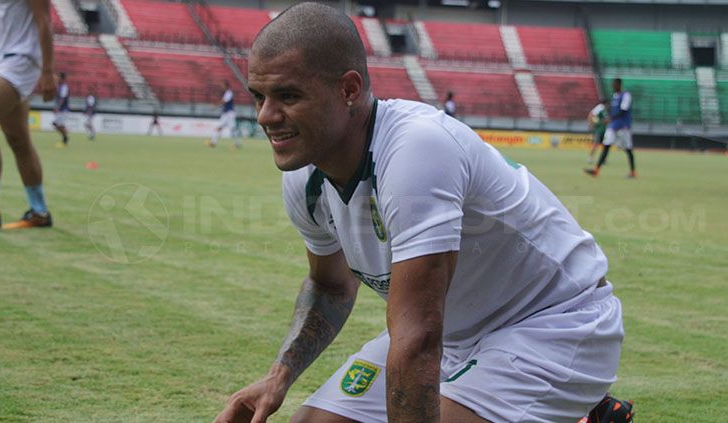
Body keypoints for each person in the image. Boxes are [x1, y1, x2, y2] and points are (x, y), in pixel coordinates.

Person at [215, 3, 631, 423]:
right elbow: (331, 288)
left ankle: (584, 414)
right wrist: (279, 376)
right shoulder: (305, 176)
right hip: (454, 333)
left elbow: (417, 340)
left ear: (348, 90)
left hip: (552, 327)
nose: (266, 116)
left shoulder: (416, 150)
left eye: (288, 95)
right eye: (259, 96)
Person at [0, 0, 56, 232]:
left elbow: (44, 21)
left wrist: (48, 71)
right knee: (18, 139)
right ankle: (39, 211)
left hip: (22, 59)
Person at [585, 79, 636, 178]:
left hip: (623, 126)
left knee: (628, 149)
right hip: (613, 126)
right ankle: (596, 170)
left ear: (619, 84)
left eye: (615, 84)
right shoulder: (614, 96)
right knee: (606, 146)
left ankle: (633, 172)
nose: (613, 86)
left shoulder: (626, 95)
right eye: (612, 85)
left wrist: (610, 118)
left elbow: (623, 110)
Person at [207, 80, 241, 149]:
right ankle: (213, 142)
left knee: (231, 128)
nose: (221, 86)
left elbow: (224, 101)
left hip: (229, 113)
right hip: (226, 113)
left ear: (226, 86)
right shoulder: (227, 93)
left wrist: (215, 106)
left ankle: (237, 143)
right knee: (221, 127)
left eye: (222, 85)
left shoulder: (229, 93)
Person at [587, 98, 608, 164]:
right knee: (596, 144)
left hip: (603, 129)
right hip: (598, 130)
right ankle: (591, 158)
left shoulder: (603, 109)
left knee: (604, 144)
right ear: (606, 104)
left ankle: (603, 159)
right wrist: (591, 124)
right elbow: (591, 115)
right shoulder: (600, 107)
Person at [52, 71, 70, 147]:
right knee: (57, 125)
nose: (57, 78)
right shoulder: (59, 86)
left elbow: (62, 99)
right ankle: (65, 137)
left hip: (63, 110)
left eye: (59, 77)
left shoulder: (64, 87)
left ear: (62, 78)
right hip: (61, 110)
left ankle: (65, 139)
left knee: (57, 124)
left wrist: (57, 107)